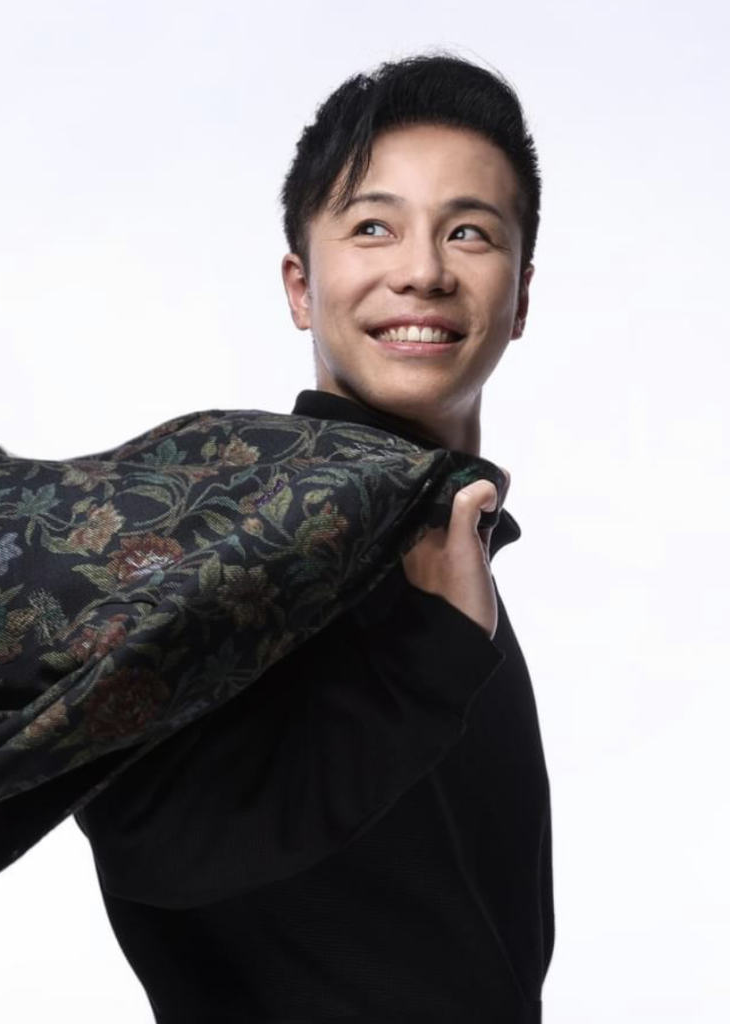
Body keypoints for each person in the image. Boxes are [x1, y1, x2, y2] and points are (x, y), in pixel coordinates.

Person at [73, 51, 553, 1022]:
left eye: (468, 231)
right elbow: (152, 842)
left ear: (521, 297)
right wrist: (424, 666)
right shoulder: (243, 526)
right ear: (301, 285)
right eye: (373, 226)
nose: (423, 271)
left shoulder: (446, 554)